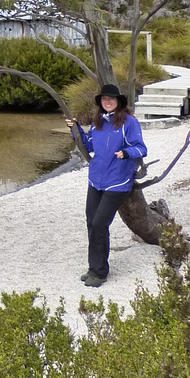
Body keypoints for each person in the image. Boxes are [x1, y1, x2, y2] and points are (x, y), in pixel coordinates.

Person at [65, 83, 146, 287]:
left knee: (100, 223)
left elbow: (141, 148)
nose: (107, 102)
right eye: (104, 99)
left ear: (118, 102)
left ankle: (100, 273)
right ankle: (94, 267)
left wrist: (127, 153)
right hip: (96, 180)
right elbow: (90, 145)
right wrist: (75, 130)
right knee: (91, 222)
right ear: (100, 103)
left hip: (118, 182)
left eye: (111, 99)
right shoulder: (98, 122)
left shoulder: (129, 122)